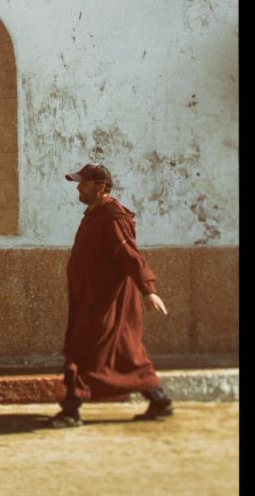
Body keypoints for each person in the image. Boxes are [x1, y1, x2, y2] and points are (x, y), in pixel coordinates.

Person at [50, 162, 174, 428]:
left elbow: (130, 255)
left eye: (84, 184)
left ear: (101, 186)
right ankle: (160, 400)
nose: (79, 189)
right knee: (127, 352)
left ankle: (71, 411)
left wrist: (148, 290)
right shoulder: (95, 214)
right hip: (93, 297)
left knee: (81, 348)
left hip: (108, 300)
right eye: (79, 184)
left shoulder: (112, 217)